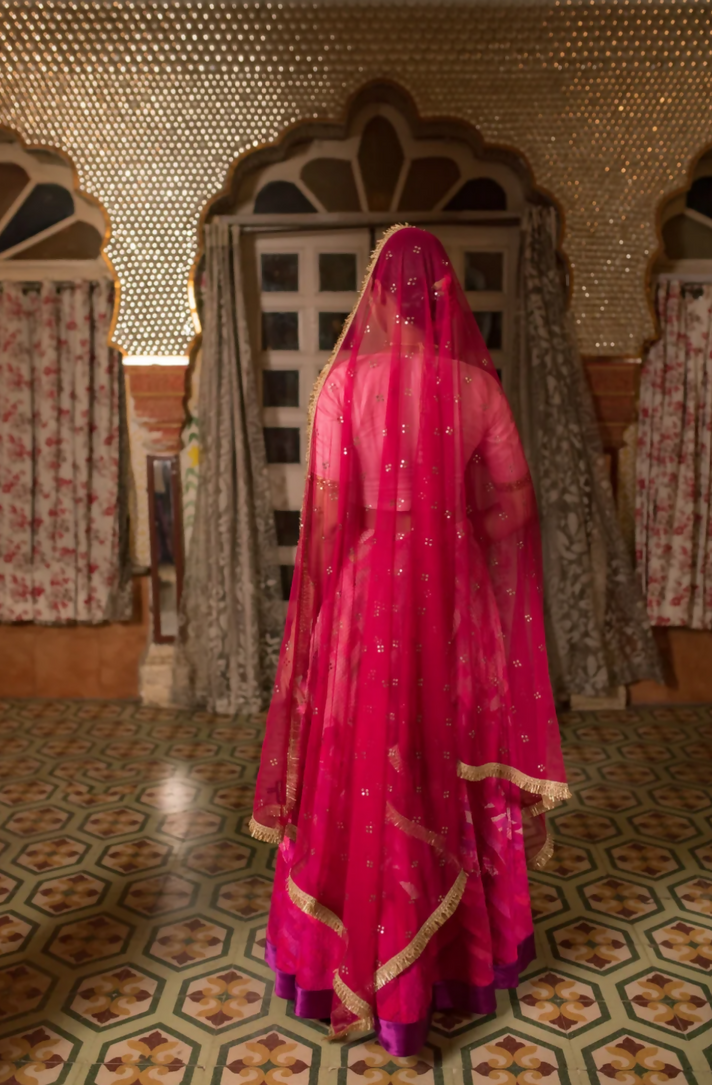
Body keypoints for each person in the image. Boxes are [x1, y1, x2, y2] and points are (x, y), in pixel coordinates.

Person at [250, 225, 569, 1054]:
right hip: (450, 597)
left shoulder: (342, 385)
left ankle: (345, 966)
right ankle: (451, 966)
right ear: (442, 300)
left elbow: (325, 518)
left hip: (363, 598)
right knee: (440, 757)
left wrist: (323, 604)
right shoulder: (475, 388)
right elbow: (517, 510)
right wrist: (453, 533)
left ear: (381, 296)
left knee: (360, 760)